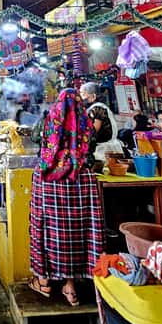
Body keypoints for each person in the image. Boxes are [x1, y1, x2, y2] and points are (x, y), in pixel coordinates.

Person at [29, 89, 103, 307]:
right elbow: (92, 146)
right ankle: (70, 286)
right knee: (79, 230)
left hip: (50, 179)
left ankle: (43, 280)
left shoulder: (50, 120)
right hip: (82, 179)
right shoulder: (86, 124)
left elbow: (36, 137)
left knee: (46, 228)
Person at [79, 82, 122, 169]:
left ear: (93, 96)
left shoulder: (97, 108)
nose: (81, 97)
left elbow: (94, 130)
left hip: (103, 150)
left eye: (83, 94)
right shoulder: (98, 107)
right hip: (106, 147)